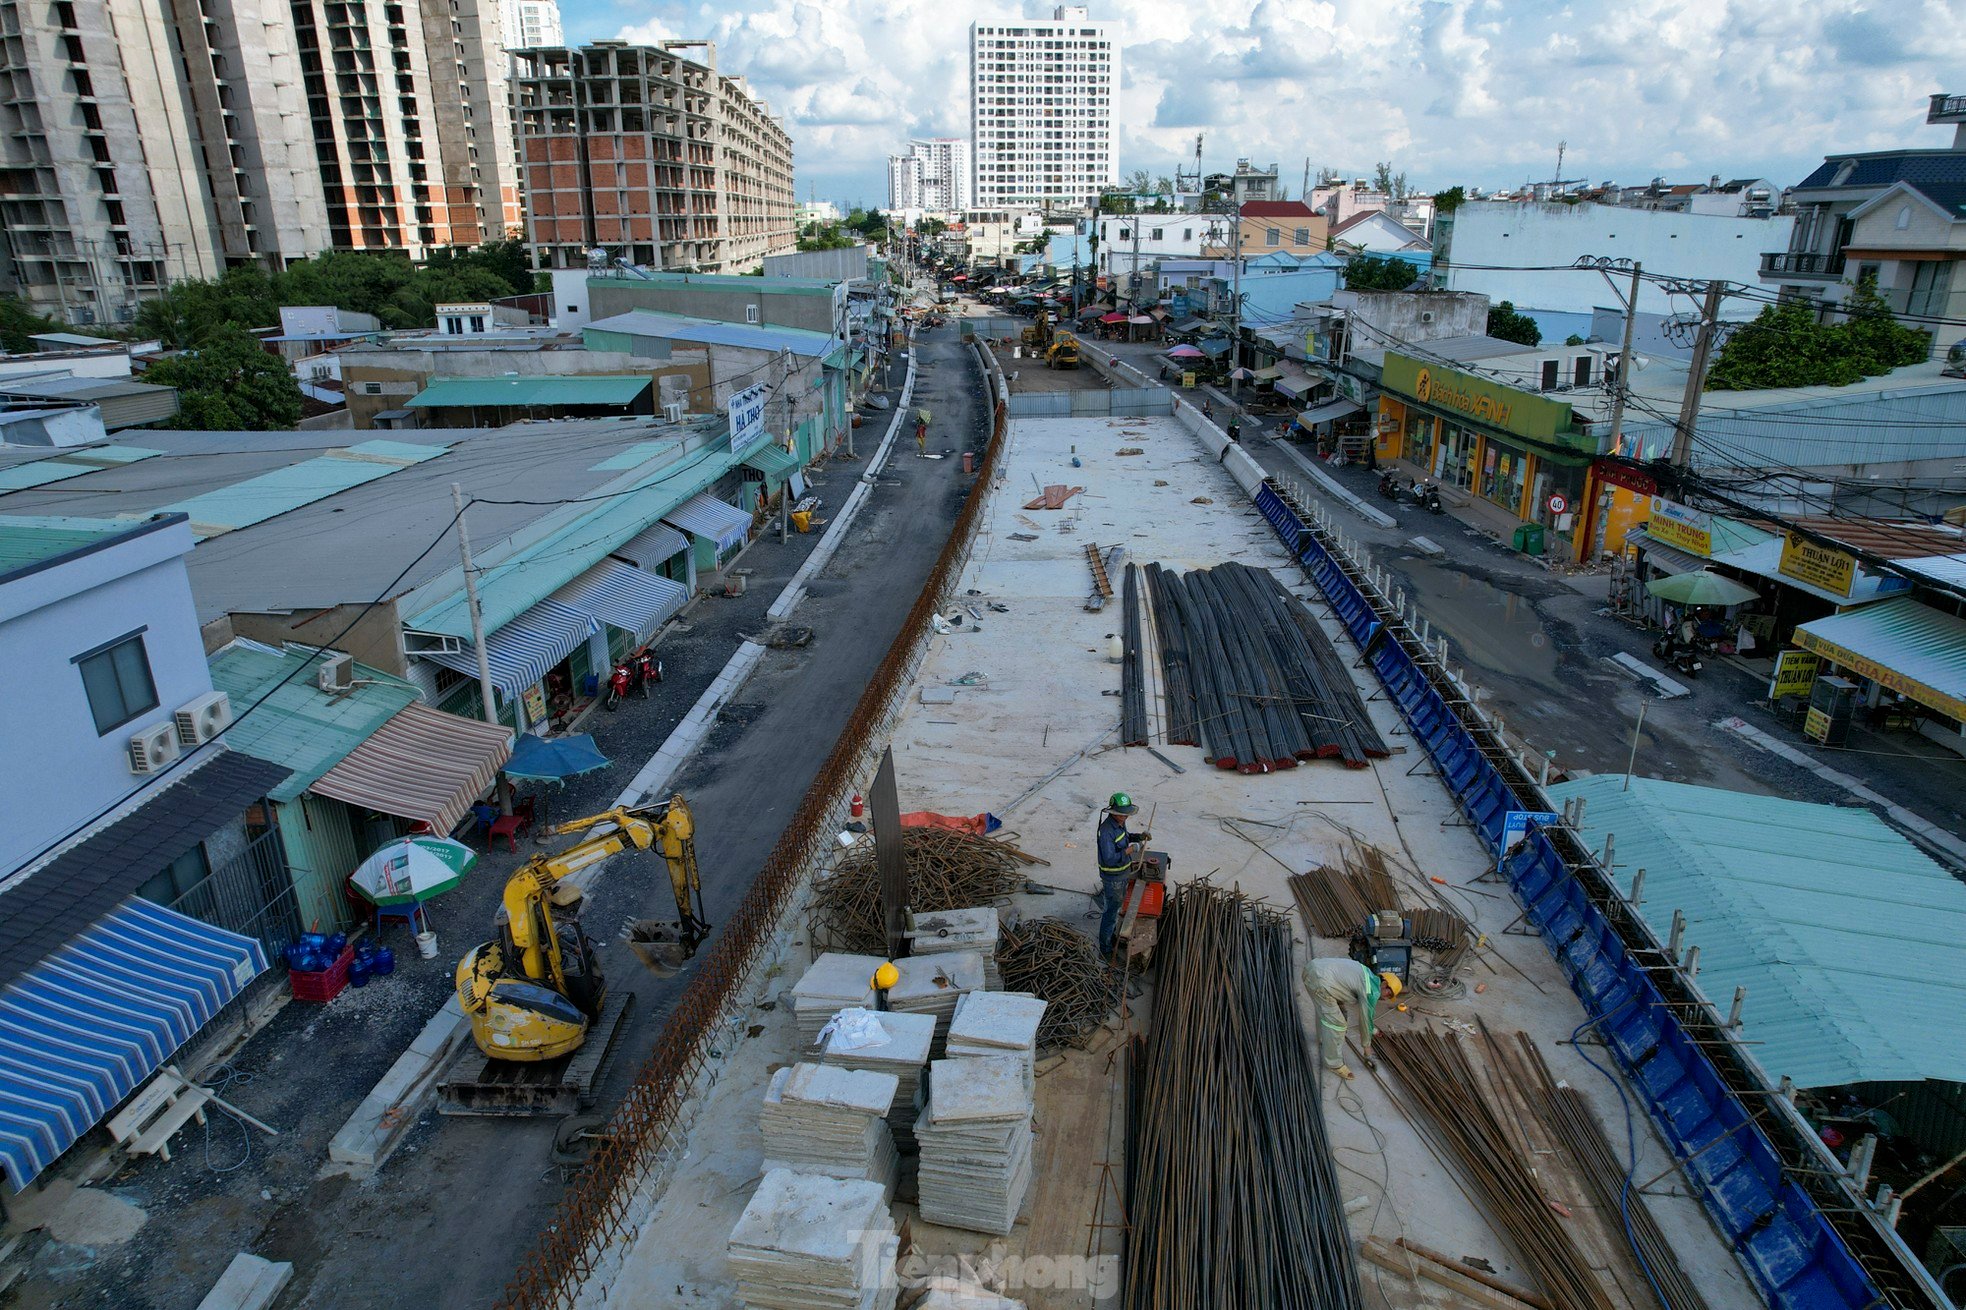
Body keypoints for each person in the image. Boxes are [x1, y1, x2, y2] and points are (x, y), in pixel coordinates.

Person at [1304, 955, 1401, 1080]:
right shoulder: (1371, 991)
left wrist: (1373, 1030)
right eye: (1389, 993)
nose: (1387, 998)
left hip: (1313, 968)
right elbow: (1365, 1020)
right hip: (1321, 982)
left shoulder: (1367, 973)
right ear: (1384, 983)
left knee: (1329, 1009)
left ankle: (1323, 1038)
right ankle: (1334, 1064)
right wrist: (1367, 1052)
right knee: (1338, 1025)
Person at [1095, 792, 1146, 958]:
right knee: (1110, 913)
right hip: (1113, 878)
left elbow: (1125, 837)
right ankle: (1105, 948)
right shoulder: (1106, 831)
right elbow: (1109, 859)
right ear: (1113, 812)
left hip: (1123, 873)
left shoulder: (1120, 823)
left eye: (1126, 814)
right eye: (1122, 814)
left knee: (1116, 907)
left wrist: (1139, 836)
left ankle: (1110, 936)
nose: (1125, 817)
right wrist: (1130, 850)